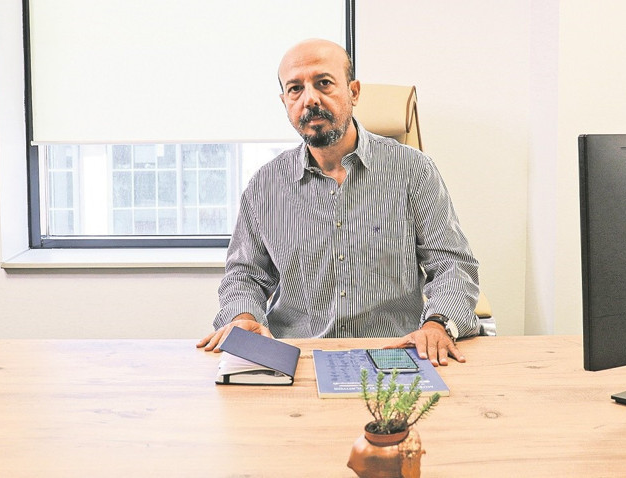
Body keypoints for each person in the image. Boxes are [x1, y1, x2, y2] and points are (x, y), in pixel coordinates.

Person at [196, 38, 480, 366]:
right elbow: (245, 274)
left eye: (324, 83)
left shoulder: (413, 171)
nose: (310, 99)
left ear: (354, 92)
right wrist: (242, 317)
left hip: (394, 354)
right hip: (294, 357)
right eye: (295, 89)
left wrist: (437, 324)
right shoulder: (265, 185)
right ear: (285, 102)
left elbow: (452, 265)